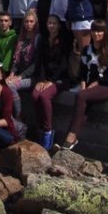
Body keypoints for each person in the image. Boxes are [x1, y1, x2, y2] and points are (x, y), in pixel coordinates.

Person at [57, 20, 108, 151]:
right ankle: (68, 142)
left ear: (105, 33)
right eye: (94, 31)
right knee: (83, 105)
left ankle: (71, 136)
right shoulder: (87, 50)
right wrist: (84, 85)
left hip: (106, 87)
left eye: (100, 31)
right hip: (90, 88)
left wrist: (95, 84)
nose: (97, 34)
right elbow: (83, 71)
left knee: (81, 97)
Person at [30, 14, 75, 150]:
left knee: (44, 96)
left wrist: (51, 81)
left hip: (61, 78)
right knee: (35, 95)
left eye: (54, 23)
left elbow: (63, 64)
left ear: (59, 25)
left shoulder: (64, 41)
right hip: (46, 78)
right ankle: (41, 128)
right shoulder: (43, 40)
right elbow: (41, 62)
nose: (52, 26)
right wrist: (42, 79)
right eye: (49, 23)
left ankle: (48, 130)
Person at [5, 9, 41, 95]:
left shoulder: (38, 38)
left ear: (35, 23)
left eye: (31, 21)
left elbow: (36, 64)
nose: (29, 24)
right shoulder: (21, 38)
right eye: (26, 22)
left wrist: (20, 77)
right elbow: (16, 60)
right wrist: (11, 74)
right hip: (19, 74)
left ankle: (17, 109)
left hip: (31, 76)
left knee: (11, 86)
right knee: (5, 83)